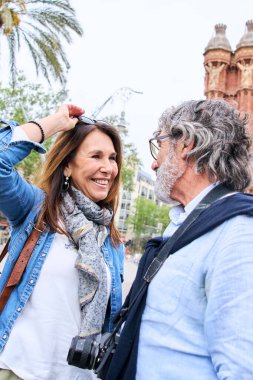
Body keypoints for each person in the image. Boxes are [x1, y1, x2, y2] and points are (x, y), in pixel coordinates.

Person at [105, 99, 253, 380]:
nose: (153, 163)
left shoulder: (239, 234)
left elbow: (242, 368)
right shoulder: (187, 221)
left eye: (158, 144)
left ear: (186, 144)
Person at [0, 104, 125, 380]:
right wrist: (54, 123)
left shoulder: (112, 241)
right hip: (18, 370)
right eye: (96, 156)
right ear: (67, 165)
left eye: (112, 158)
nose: (108, 168)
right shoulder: (37, 210)